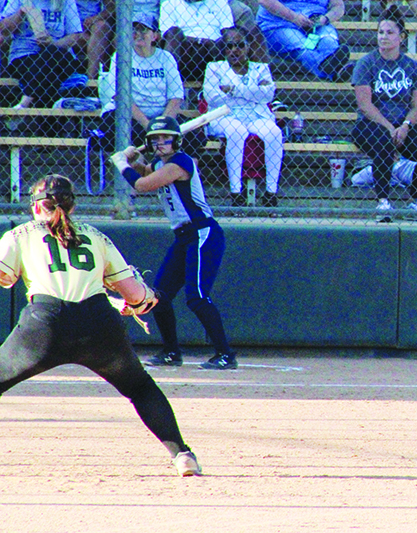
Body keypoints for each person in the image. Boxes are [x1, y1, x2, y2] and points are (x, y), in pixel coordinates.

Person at [0, 174, 202, 477]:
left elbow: (5, 277)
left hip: (45, 324)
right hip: (99, 323)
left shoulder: (20, 234)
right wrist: (144, 300)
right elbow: (134, 295)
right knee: (140, 388)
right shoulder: (96, 236)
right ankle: (183, 456)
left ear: (35, 207)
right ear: (73, 204)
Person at [109, 117, 237, 370]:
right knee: (160, 296)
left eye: (165, 137)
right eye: (155, 139)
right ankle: (171, 352)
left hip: (202, 232)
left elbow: (143, 184)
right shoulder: (159, 163)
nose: (160, 142)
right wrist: (133, 160)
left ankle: (226, 354)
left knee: (197, 297)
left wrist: (122, 164)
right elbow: (145, 172)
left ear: (176, 140)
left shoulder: (180, 162)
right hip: (183, 236)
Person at [351, 6, 417, 222]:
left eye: (389, 32)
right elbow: (364, 104)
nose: (384, 37)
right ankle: (383, 203)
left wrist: (405, 126)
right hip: (370, 124)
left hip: (402, 124)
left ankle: (415, 201)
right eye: (381, 32)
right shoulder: (366, 63)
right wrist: (389, 127)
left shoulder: (413, 67)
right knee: (384, 143)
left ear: (402, 37)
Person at [203, 25, 282, 207]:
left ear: (248, 47)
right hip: (224, 117)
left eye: (239, 45)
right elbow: (213, 98)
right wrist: (253, 92)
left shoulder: (260, 68)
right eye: (229, 46)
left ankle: (271, 192)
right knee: (236, 130)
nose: (234, 50)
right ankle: (236, 191)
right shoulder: (215, 67)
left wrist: (233, 90)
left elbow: (268, 94)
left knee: (274, 133)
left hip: (256, 116)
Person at [0, 0, 82, 110]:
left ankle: (25, 102)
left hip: (59, 54)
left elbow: (75, 35)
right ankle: (51, 127)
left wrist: (54, 43)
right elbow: (3, 28)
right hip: (24, 55)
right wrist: (21, 13)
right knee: (49, 76)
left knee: (52, 55)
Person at [97, 13, 183, 147]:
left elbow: (176, 98)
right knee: (118, 127)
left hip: (161, 115)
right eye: (134, 29)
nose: (138, 33)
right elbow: (121, 97)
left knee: (192, 134)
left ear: (155, 35)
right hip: (131, 116)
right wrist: (149, 126)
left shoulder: (166, 58)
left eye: (143, 29)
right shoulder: (121, 56)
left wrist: (162, 126)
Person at [160, 0, 233, 82]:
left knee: (233, 37)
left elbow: (229, 34)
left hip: (213, 54)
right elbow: (168, 38)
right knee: (174, 32)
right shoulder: (169, 5)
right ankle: (169, 81)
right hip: (185, 54)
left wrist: (210, 45)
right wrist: (202, 42)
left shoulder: (220, 3)